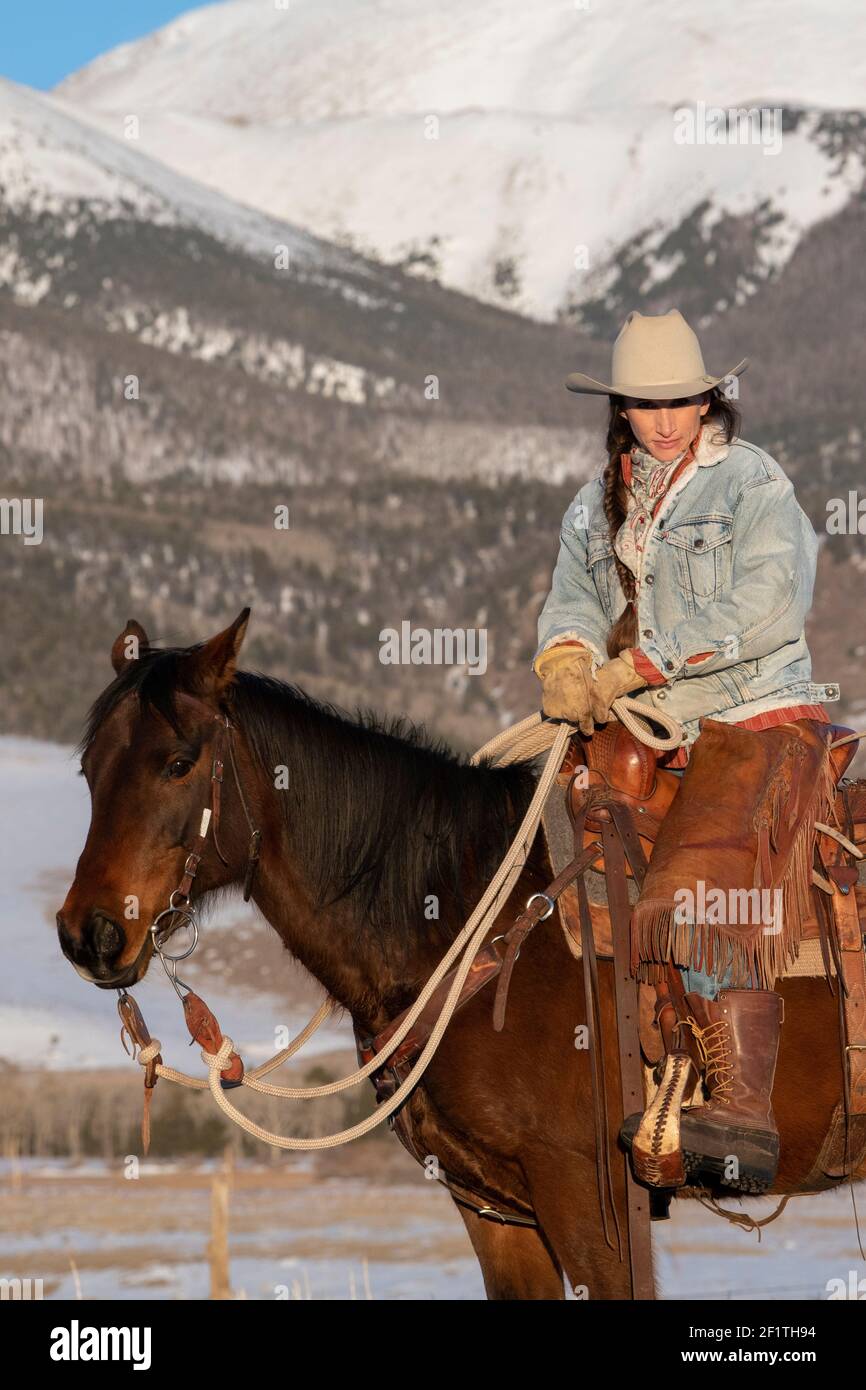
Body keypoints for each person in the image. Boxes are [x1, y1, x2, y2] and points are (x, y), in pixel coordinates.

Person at [532, 308, 840, 1189]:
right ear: (620, 409)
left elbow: (768, 605)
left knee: (698, 882)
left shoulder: (752, 483)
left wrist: (641, 664)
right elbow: (576, 595)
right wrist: (565, 658)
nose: (665, 420)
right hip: (651, 718)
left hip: (755, 713)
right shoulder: (600, 504)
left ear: (709, 398)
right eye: (645, 403)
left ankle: (739, 1112)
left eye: (681, 401)